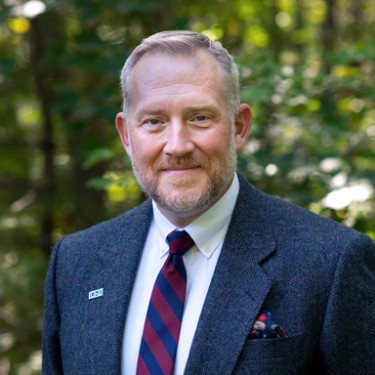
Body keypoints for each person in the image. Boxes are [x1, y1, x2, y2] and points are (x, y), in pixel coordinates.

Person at [42, 30, 375, 375]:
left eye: (200, 118)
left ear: (239, 126)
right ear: (127, 135)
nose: (178, 145)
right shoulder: (74, 262)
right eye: (154, 121)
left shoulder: (332, 261)